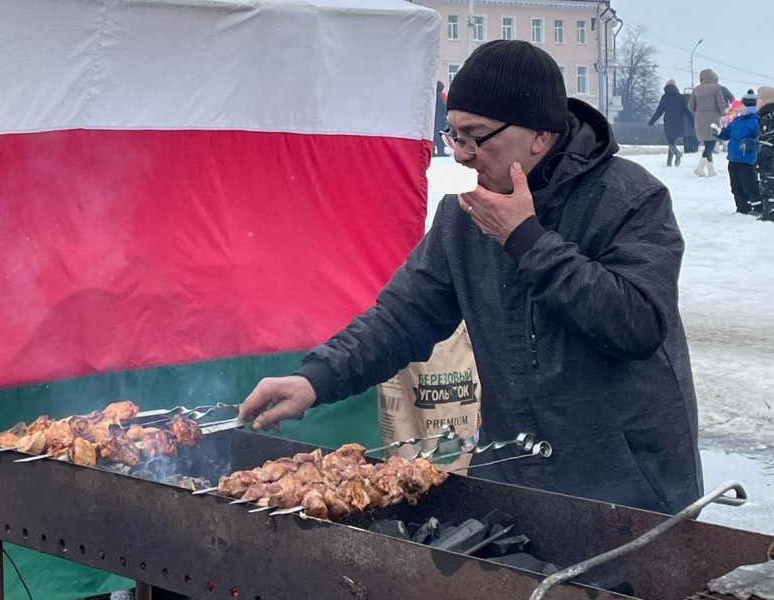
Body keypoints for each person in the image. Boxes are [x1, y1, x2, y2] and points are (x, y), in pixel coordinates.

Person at [240, 40, 703, 515]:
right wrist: (315, 379)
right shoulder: (464, 219)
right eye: (453, 134)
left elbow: (637, 324)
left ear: (539, 137)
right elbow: (401, 319)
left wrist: (527, 239)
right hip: (518, 470)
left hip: (630, 486)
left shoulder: (630, 198)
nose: (461, 155)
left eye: (474, 136)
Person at [713, 90, 761, 215]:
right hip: (733, 158)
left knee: (750, 184)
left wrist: (750, 143)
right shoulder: (737, 120)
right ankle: (742, 208)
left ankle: (757, 208)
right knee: (736, 186)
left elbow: (760, 139)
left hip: (748, 159)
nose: (740, 108)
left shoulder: (757, 121)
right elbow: (727, 134)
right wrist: (719, 133)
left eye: (743, 106)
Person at [688, 68, 727, 177]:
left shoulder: (696, 90)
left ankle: (711, 171)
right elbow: (721, 104)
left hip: (700, 118)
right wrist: (723, 113)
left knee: (708, 143)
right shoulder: (717, 88)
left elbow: (691, 106)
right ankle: (700, 168)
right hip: (713, 118)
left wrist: (700, 110)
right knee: (711, 143)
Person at [648, 79, 691, 166]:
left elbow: (659, 111)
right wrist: (693, 122)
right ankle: (670, 161)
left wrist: (652, 121)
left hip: (669, 122)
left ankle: (677, 154)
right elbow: (686, 111)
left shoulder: (665, 97)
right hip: (679, 122)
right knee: (672, 141)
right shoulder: (681, 97)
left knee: (670, 142)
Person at [757, 85, 774, 221]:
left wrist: (761, 158)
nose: (757, 101)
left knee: (768, 183)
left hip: (770, 157)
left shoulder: (767, 115)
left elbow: (767, 140)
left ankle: (770, 213)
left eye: (760, 98)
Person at [432, 80, 448, 157]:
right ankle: (440, 151)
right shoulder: (437, 95)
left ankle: (434, 150)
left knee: (435, 135)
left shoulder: (433, 95)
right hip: (439, 118)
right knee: (439, 134)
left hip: (434, 119)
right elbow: (442, 106)